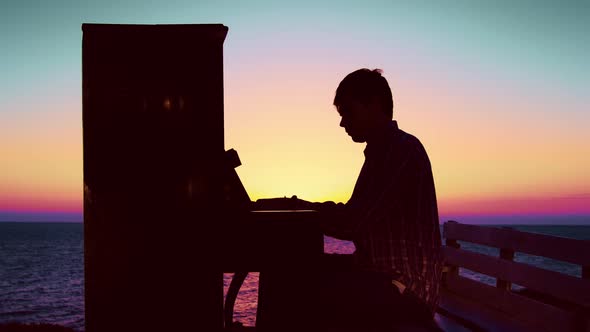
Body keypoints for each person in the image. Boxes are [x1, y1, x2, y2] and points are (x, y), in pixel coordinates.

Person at [310, 68, 443, 331]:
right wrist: (304, 210)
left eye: (348, 111)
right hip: (385, 279)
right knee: (302, 269)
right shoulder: (383, 152)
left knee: (299, 279)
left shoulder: (399, 151)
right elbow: (356, 215)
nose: (342, 122)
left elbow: (352, 223)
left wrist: (303, 213)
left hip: (406, 291)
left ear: (374, 105)